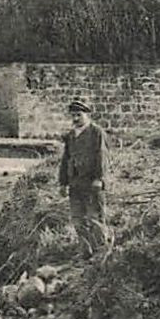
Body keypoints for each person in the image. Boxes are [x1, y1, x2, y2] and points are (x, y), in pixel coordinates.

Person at [58, 98, 110, 256]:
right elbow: (66, 159)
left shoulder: (96, 133)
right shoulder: (71, 136)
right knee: (78, 220)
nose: (75, 119)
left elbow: (102, 156)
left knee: (95, 218)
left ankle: (101, 251)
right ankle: (85, 251)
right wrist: (63, 183)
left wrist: (99, 179)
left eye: (78, 115)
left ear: (87, 115)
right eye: (73, 115)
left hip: (91, 182)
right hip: (75, 183)